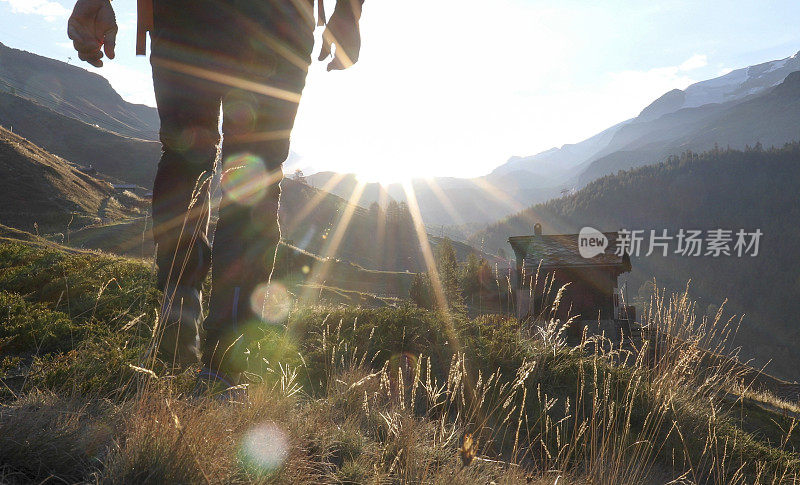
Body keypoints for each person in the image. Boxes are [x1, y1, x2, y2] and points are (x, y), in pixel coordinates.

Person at [67, 0, 364, 395]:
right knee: (248, 172)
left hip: (194, 19)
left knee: (188, 159)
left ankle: (182, 336)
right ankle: (224, 359)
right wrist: (348, 10)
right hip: (274, 20)